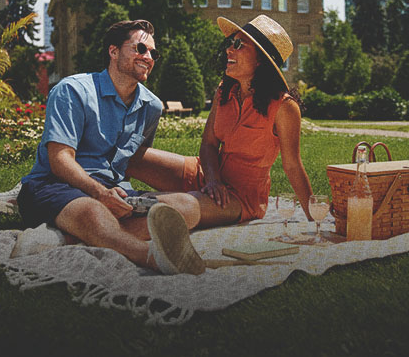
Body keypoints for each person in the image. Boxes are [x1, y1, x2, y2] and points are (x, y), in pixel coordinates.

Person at [16, 19, 206, 275]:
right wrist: (98, 192)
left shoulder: (151, 106)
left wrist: (116, 194)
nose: (148, 57)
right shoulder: (72, 90)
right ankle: (153, 257)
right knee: (93, 211)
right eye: (140, 48)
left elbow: (133, 160)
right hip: (53, 186)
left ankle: (72, 237)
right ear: (113, 51)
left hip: (112, 191)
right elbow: (59, 159)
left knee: (188, 207)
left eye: (153, 52)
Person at [127, 15, 315, 229]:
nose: (229, 50)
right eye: (230, 43)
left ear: (261, 59)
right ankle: (107, 193)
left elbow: (292, 166)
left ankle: (125, 203)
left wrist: (315, 219)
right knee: (130, 156)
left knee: (183, 207)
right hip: (206, 173)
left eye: (238, 45)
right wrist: (213, 180)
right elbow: (208, 144)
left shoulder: (284, 106)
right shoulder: (225, 92)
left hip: (239, 198)